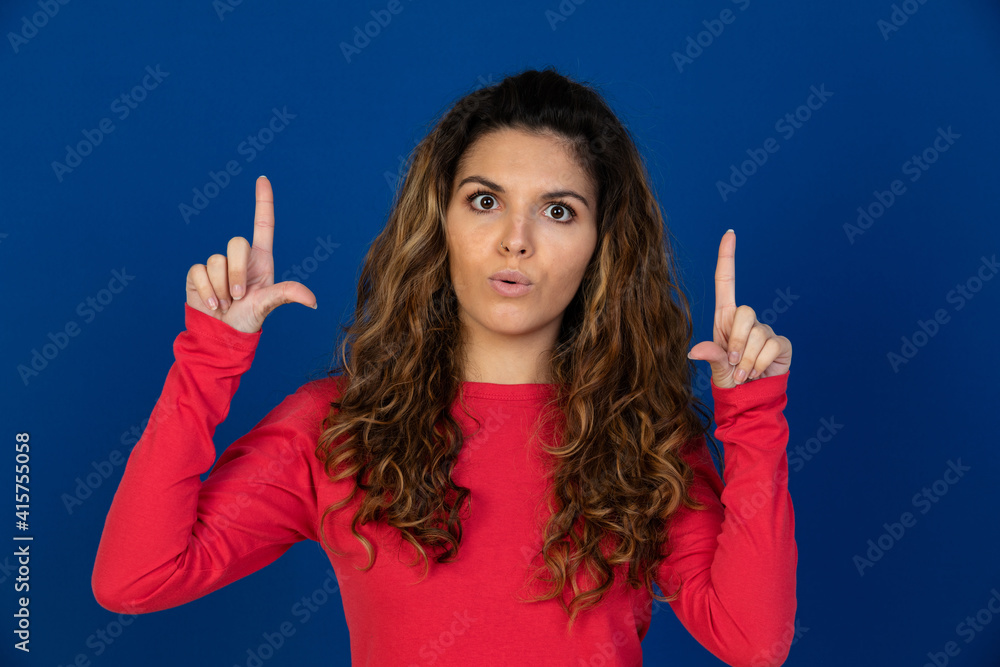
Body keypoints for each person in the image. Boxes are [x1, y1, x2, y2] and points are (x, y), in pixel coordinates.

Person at [92, 67, 796, 667]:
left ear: (600, 244)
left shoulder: (647, 439)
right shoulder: (336, 428)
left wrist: (754, 421)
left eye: (558, 210)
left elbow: (752, 641)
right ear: (441, 222)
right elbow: (135, 578)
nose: (514, 241)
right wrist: (209, 360)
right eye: (484, 201)